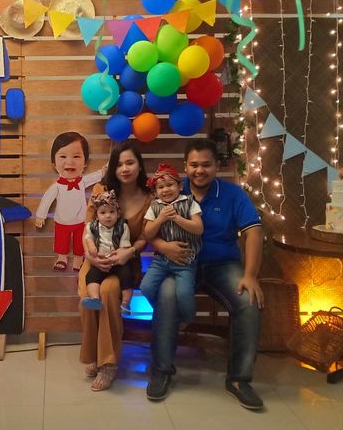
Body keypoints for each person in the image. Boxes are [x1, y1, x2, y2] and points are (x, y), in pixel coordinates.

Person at [146, 139, 265, 410]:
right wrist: (164, 247)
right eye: (194, 165)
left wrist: (250, 275)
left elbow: (254, 232)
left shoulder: (233, 194)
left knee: (248, 300)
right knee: (166, 295)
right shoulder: (171, 189)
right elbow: (149, 228)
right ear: (185, 167)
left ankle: (239, 379)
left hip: (221, 265)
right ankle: (162, 370)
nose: (200, 170)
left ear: (217, 166)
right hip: (179, 263)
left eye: (206, 165)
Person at [78, 140, 152, 392]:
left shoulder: (149, 199)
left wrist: (129, 251)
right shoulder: (102, 190)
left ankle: (108, 364)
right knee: (90, 294)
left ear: (140, 165)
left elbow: (145, 237)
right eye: (119, 164)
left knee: (109, 293)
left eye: (130, 162)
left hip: (125, 264)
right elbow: (86, 228)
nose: (124, 168)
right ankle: (93, 355)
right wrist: (91, 255)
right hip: (95, 260)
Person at [139, 162, 203, 325]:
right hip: (161, 260)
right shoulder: (155, 207)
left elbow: (198, 228)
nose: (166, 190)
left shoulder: (189, 202)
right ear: (155, 192)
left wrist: (177, 218)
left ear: (180, 186)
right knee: (145, 287)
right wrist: (160, 219)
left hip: (185, 260)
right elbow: (147, 233)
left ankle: (187, 319)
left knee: (184, 294)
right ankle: (161, 309)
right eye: (160, 187)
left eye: (170, 185)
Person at [35, 132, 104, 272]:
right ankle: (62, 258)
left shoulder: (83, 181)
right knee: (61, 240)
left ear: (85, 163)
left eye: (76, 156)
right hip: (62, 221)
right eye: (63, 156)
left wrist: (105, 170)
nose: (70, 161)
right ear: (54, 163)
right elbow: (47, 199)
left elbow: (97, 176)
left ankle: (78, 260)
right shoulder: (56, 187)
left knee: (80, 241)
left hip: (80, 220)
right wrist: (40, 215)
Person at [82, 190, 134, 313]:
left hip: (117, 260)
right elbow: (88, 238)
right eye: (103, 213)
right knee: (91, 276)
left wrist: (118, 256)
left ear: (118, 213)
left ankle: (126, 302)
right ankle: (95, 299)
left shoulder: (123, 227)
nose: (108, 216)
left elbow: (124, 246)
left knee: (127, 276)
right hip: (100, 260)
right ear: (97, 215)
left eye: (112, 212)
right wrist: (91, 246)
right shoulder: (92, 226)